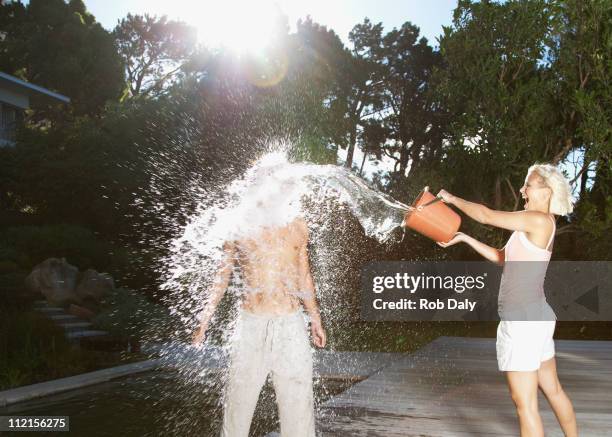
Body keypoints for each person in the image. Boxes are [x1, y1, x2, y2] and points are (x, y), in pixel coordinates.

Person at [435, 163, 577, 437]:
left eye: (529, 185)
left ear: (547, 191)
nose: (523, 189)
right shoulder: (537, 223)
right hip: (535, 317)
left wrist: (452, 200)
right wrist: (464, 238)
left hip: (523, 323)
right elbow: (502, 257)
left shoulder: (537, 220)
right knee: (553, 389)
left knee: (525, 406)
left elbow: (486, 216)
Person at [192, 168, 326, 437]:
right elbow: (222, 276)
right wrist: (203, 321)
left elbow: (304, 275)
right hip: (251, 325)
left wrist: (315, 319)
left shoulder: (298, 225)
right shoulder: (241, 226)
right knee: (238, 406)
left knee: (298, 406)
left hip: (291, 324)